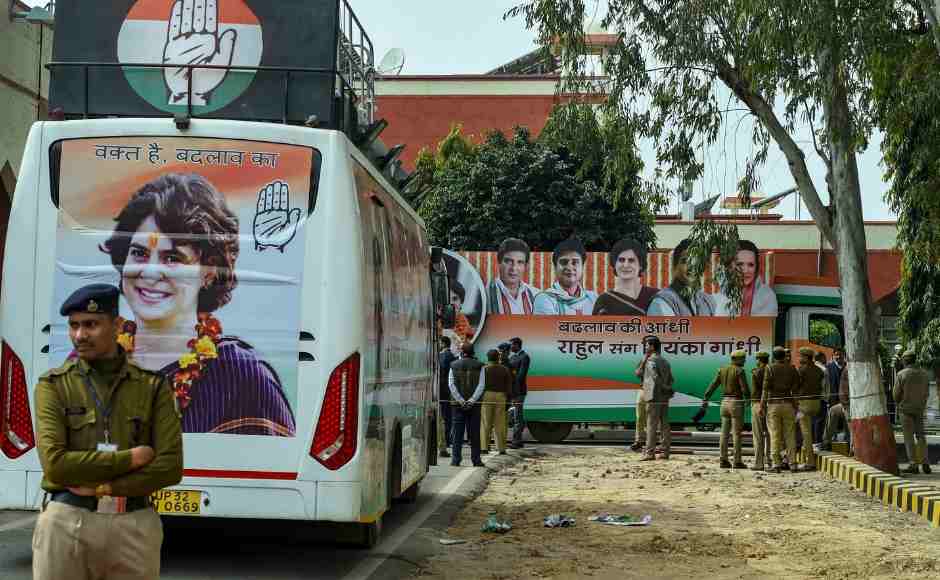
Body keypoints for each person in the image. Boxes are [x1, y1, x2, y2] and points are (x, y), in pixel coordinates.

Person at [101, 173, 295, 436]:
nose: (150, 272)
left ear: (209, 272)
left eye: (172, 257)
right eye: (139, 253)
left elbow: (277, 472)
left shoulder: (242, 376)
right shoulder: (93, 361)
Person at [33, 284, 183, 580]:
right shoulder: (53, 386)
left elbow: (169, 468)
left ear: (116, 326)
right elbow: (56, 465)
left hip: (134, 525)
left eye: (90, 325)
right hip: (66, 522)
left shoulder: (153, 386)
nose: (80, 335)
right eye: (74, 326)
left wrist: (105, 488)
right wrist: (131, 458)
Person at [702, 350, 750, 469]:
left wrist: (706, 397)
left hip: (724, 403)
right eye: (743, 358)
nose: (744, 360)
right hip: (736, 402)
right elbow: (744, 388)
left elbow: (713, 384)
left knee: (724, 433)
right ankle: (737, 461)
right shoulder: (739, 371)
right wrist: (748, 399)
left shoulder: (722, 369)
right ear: (737, 359)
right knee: (737, 434)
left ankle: (723, 460)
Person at [647, 238, 716, 316]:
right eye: (685, 261)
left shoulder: (708, 301)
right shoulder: (662, 301)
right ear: (675, 266)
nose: (691, 267)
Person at [592, 238, 658, 315]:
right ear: (614, 264)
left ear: (641, 265)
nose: (626, 265)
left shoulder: (655, 297)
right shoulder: (604, 301)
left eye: (631, 260)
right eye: (621, 260)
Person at [533, 237, 598, 315]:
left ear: (582, 267)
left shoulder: (593, 298)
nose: (569, 267)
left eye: (575, 262)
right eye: (564, 262)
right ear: (555, 267)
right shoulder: (545, 299)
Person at [713, 240, 778, 317]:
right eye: (739, 264)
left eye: (751, 265)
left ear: (756, 268)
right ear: (730, 267)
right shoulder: (717, 292)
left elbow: (768, 327)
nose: (745, 270)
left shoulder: (767, 295)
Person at [762, 346, 800, 473]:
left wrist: (762, 405)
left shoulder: (769, 368)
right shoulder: (792, 369)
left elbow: (765, 389)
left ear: (773, 356)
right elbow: (795, 390)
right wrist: (796, 406)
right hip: (788, 404)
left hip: (773, 404)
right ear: (784, 356)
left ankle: (776, 464)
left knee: (775, 434)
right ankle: (793, 463)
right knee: (790, 434)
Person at [894, 349, 932, 474]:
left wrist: (900, 403)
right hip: (919, 409)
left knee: (909, 437)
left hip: (905, 410)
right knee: (921, 436)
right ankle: (925, 462)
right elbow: (927, 393)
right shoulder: (924, 374)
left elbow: (896, 395)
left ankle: (913, 464)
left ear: (905, 360)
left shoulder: (901, 374)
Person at [448, 343, 486, 467]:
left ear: (462, 352)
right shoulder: (480, 366)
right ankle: (476, 460)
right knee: (474, 433)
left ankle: (455, 459)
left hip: (457, 405)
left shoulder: (453, 365)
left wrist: (460, 400)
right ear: (473, 353)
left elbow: (451, 384)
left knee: (457, 433)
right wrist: (472, 400)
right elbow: (481, 385)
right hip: (474, 406)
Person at [638, 337, 674, 461]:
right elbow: (671, 379)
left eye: (647, 345)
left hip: (653, 397)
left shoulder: (650, 361)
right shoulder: (665, 362)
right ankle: (664, 452)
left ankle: (649, 453)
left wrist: (663, 387)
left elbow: (654, 376)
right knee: (664, 425)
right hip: (664, 398)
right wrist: (668, 388)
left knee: (651, 425)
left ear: (652, 347)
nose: (645, 347)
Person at [487, 238, 539, 315]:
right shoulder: (484, 295)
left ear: (525, 266)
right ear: (499, 262)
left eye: (520, 262)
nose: (514, 268)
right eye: (508, 261)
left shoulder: (537, 295)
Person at [795, 347, 825, 471]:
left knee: (806, 433)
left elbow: (796, 386)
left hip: (805, 404)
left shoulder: (801, 370)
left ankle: (810, 462)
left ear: (806, 357)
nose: (799, 358)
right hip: (816, 403)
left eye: (801, 356)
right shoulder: (819, 370)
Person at [480, 349, 514, 455]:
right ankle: (501, 448)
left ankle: (484, 447)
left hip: (486, 395)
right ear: (498, 358)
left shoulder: (484, 369)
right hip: (501, 396)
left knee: (486, 422)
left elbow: (480, 384)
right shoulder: (504, 369)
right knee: (499, 423)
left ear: (488, 358)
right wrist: (508, 399)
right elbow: (509, 386)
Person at [820, 367, 852, 452]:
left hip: (851, 403)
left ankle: (852, 448)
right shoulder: (847, 369)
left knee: (850, 425)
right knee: (833, 411)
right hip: (845, 403)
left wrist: (846, 402)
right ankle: (826, 442)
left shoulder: (851, 369)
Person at [750, 351, 772, 471]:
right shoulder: (771, 370)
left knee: (758, 434)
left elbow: (755, 391)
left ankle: (758, 463)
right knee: (769, 434)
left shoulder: (756, 372)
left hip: (758, 404)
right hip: (770, 404)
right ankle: (769, 459)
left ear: (759, 360)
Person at [508, 337, 531, 449]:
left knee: (517, 416)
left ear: (517, 345)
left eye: (512, 344)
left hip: (519, 391)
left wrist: (513, 389)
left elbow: (520, 376)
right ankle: (519, 439)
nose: (511, 347)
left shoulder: (524, 357)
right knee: (516, 415)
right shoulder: (512, 357)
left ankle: (516, 441)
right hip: (512, 391)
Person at [437, 336, 458, 458]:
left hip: (442, 390)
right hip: (448, 391)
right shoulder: (452, 356)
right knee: (447, 417)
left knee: (444, 418)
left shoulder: (443, 356)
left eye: (440, 342)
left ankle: (445, 440)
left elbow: (442, 373)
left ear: (443, 343)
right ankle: (447, 440)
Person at [448, 278, 476, 343]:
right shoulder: (430, 329)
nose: (451, 303)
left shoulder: (471, 334)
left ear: (461, 302)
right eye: (447, 299)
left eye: (455, 299)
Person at [813, 351, 830, 443]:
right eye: (824, 357)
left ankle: (814, 442)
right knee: (820, 421)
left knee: (813, 421)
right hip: (821, 398)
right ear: (821, 358)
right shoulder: (823, 369)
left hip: (811, 399)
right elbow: (824, 385)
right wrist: (826, 398)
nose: (826, 359)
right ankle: (818, 441)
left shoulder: (811, 368)